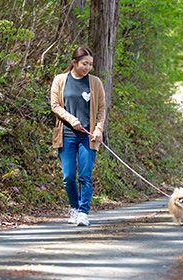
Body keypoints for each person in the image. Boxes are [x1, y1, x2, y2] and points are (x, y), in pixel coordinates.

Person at [50, 46, 106, 226]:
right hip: (66, 134)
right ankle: (74, 208)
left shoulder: (95, 82)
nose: (88, 67)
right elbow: (55, 105)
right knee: (67, 176)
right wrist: (70, 118)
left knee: (85, 175)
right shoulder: (60, 80)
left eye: (90, 64)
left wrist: (98, 130)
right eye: (84, 64)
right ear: (74, 62)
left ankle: (83, 212)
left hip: (88, 137)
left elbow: (101, 109)